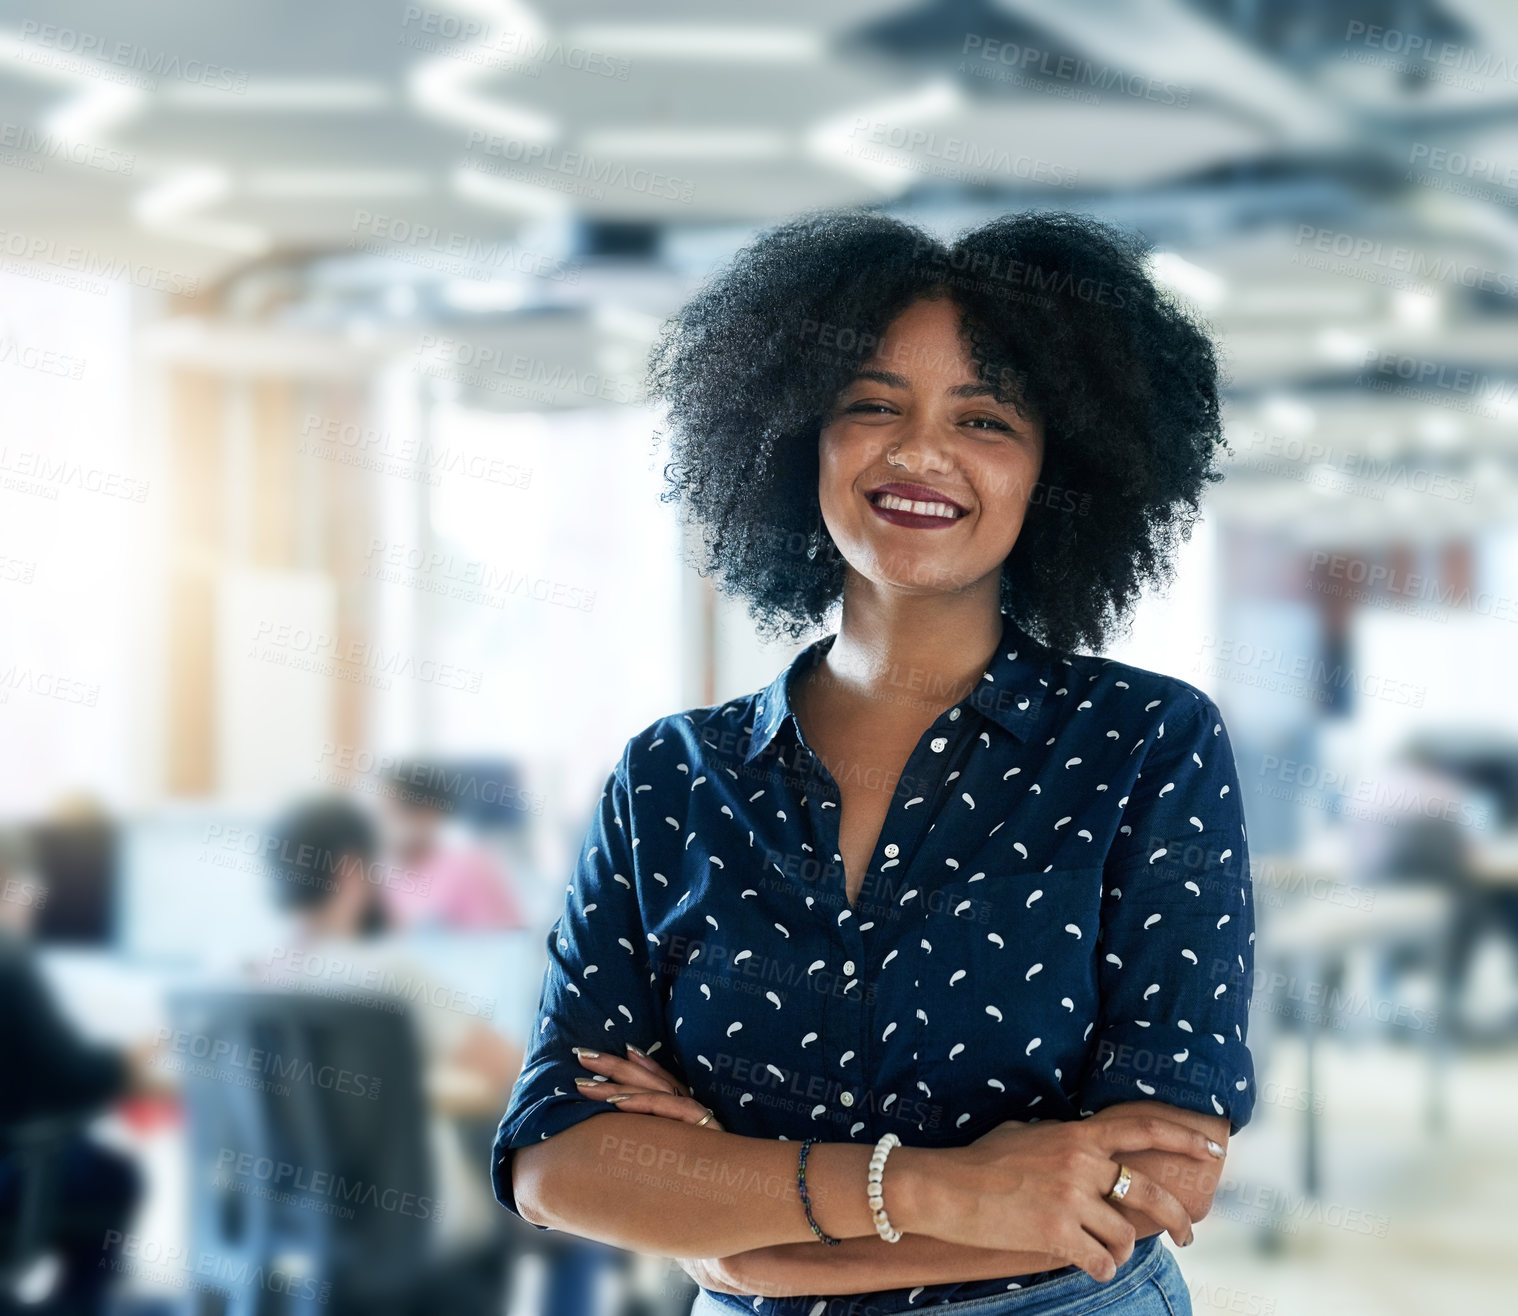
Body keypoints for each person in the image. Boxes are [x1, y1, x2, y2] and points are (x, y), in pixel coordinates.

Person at [492, 210, 1255, 1316]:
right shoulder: (670, 775)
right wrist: (948, 1188)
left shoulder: (1144, 744)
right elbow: (556, 1159)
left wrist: (754, 1237)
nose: (919, 453)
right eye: (871, 405)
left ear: (1060, 465)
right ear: (798, 433)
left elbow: (1162, 1175)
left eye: (986, 418)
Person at [257, 797, 525, 1284]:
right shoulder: (391, 975)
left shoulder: (251, 983)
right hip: (422, 1239)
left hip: (295, 1241)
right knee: (557, 1204)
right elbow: (514, 1072)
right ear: (351, 871)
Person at [0, 826, 150, 1316]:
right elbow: (71, 1078)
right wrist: (132, 1060)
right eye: (30, 893)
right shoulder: (9, 958)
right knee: (117, 1174)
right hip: (15, 1173)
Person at [375, 760, 528, 931]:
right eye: (382, 813)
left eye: (394, 812)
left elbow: (501, 943)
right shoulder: (387, 877)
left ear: (428, 814)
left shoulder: (470, 868)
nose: (386, 824)